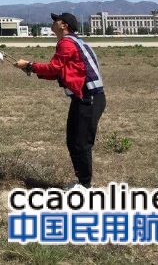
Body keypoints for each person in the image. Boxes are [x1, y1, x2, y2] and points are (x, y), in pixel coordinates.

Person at [14, 12, 106, 189]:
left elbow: (54, 67)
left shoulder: (66, 43)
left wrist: (30, 65)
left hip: (88, 98)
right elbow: (61, 72)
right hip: (84, 98)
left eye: (56, 20)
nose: (53, 23)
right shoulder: (74, 41)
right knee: (73, 140)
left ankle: (85, 185)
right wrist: (32, 69)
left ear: (64, 25)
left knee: (81, 143)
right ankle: (81, 181)